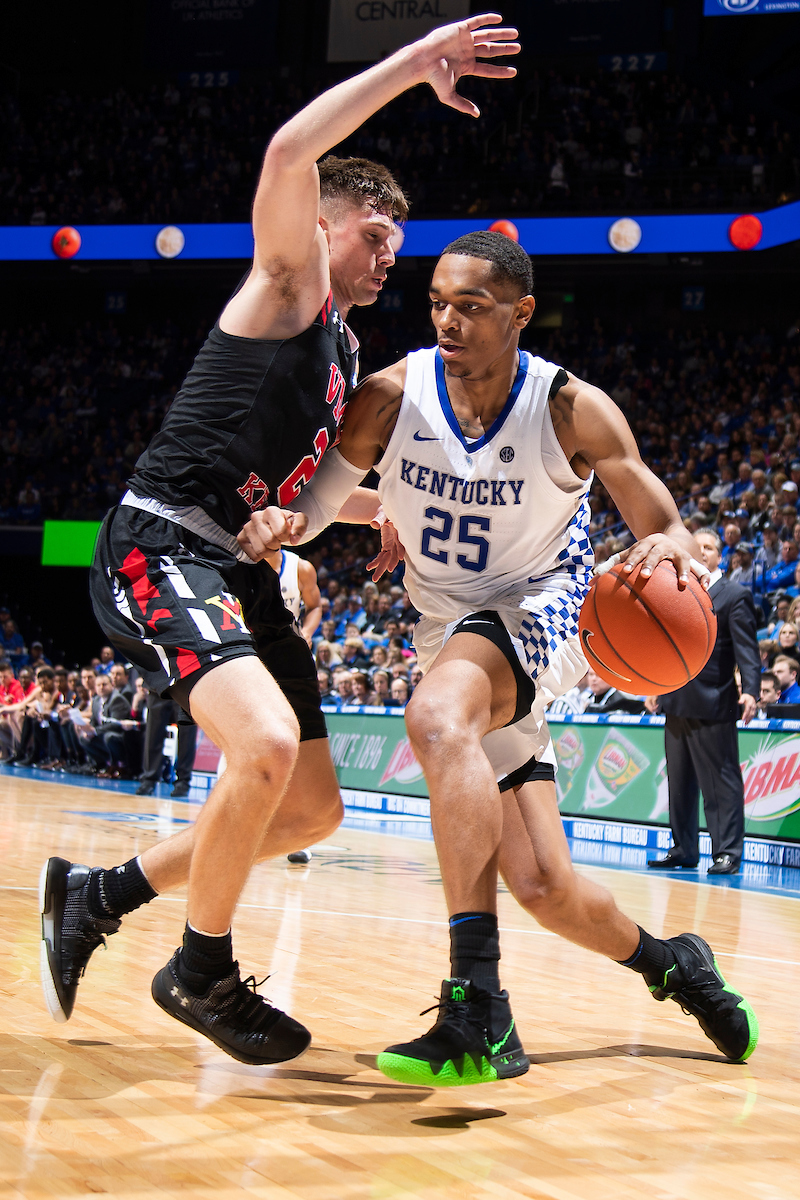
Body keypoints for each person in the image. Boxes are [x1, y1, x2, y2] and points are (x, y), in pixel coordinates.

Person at [39, 15, 522, 1066]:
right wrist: (411, 65)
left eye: (399, 247)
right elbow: (285, 154)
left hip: (237, 566)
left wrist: (370, 511)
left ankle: (97, 896)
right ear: (322, 226)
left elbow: (304, 491)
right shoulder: (289, 285)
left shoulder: (344, 354)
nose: (388, 261)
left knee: (306, 809)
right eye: (374, 239)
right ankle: (199, 969)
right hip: (161, 542)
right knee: (255, 746)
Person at [240, 231, 758, 1085]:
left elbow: (661, 519)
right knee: (545, 887)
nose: (448, 320)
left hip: (543, 608)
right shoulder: (390, 397)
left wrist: (670, 546)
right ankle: (678, 965)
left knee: (438, 716)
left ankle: (476, 1008)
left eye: (471, 307)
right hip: (449, 631)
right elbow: (317, 505)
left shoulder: (569, 407)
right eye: (438, 302)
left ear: (520, 313)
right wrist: (280, 527)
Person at [647, 529, 760, 876]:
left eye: (709, 547)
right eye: (698, 547)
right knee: (678, 783)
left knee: (720, 782)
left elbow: (747, 650)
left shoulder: (734, 594)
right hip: (676, 699)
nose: (703, 552)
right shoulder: (678, 588)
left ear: (718, 555)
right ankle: (684, 848)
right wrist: (654, 684)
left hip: (715, 701)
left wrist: (751, 690)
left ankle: (727, 852)